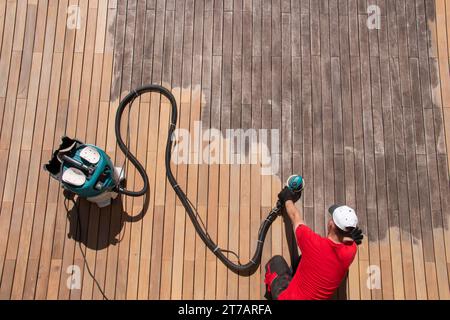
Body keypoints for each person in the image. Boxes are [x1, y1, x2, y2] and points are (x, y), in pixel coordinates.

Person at [264, 187, 364, 300]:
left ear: (331, 224)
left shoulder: (313, 244)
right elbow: (347, 243)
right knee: (304, 258)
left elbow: (294, 216)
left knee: (276, 261)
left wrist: (286, 197)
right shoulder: (351, 252)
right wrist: (350, 238)